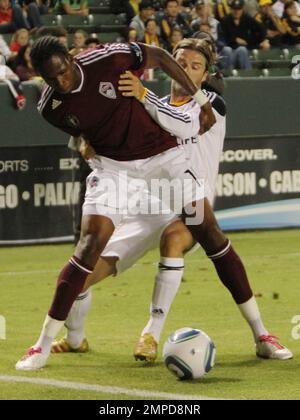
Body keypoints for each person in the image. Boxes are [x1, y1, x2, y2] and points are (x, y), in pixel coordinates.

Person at [50, 39, 292, 363]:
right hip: (150, 205)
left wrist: (142, 94)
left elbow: (182, 124)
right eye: (182, 63)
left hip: (191, 201)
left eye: (195, 67)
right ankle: (76, 338)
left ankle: (250, 333)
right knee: (83, 274)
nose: (187, 72)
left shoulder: (212, 106)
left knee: (175, 238)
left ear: (205, 74)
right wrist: (88, 144)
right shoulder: (149, 104)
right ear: (171, 66)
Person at [15, 35, 216, 370]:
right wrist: (85, 142)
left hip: (163, 176)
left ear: (71, 56)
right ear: (41, 78)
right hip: (118, 178)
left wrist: (192, 98)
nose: (61, 82)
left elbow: (164, 67)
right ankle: (54, 341)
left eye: (63, 71)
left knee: (195, 236)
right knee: (88, 251)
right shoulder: (51, 107)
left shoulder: (111, 60)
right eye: (52, 78)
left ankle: (160, 332)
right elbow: (84, 129)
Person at [219, 0, 269, 71]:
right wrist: (235, 39)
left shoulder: (247, 19)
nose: (236, 11)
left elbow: (262, 30)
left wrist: (249, 41)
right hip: (230, 50)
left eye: (238, 9)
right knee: (227, 50)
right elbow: (222, 37)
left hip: (244, 50)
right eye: (234, 9)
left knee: (242, 50)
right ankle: (228, 75)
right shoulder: (225, 20)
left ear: (242, 9)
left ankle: (248, 76)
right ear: (231, 9)